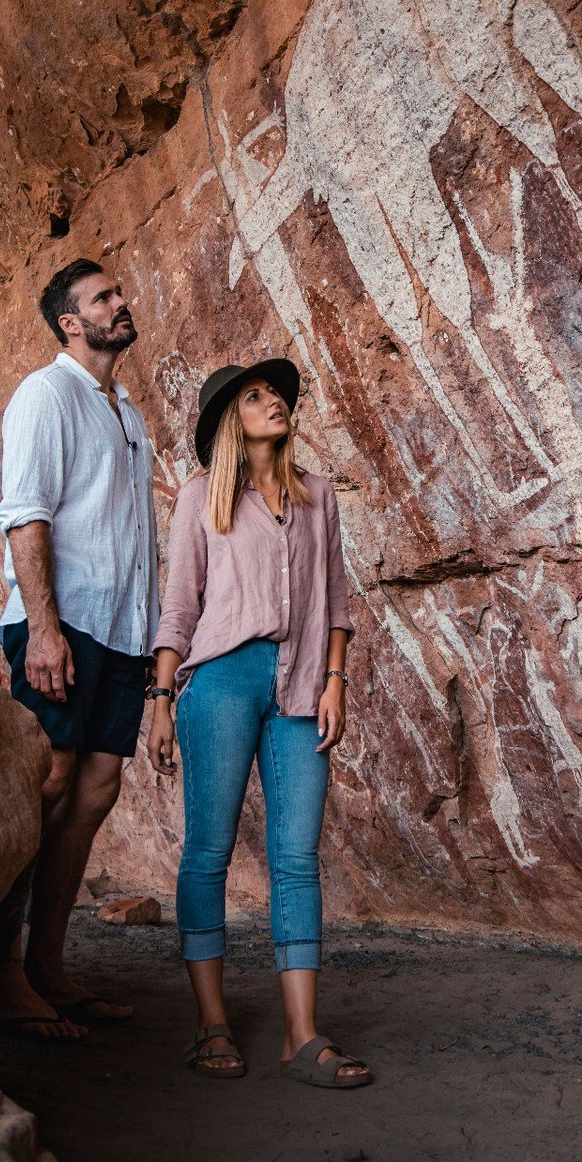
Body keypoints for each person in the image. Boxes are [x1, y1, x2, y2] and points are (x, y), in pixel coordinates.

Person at [147, 360, 372, 1086]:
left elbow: (336, 601)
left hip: (303, 685)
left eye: (275, 392)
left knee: (298, 856)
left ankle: (301, 1036)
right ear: (227, 425)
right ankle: (211, 1022)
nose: (273, 400)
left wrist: (335, 682)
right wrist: (159, 697)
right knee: (208, 850)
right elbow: (179, 606)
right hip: (220, 682)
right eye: (253, 396)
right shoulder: (199, 501)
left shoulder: (317, 496)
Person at [0, 258, 159, 1041]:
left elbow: (137, 533)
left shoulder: (127, 413)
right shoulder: (45, 394)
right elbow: (26, 515)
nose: (122, 302)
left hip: (119, 630)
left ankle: (49, 965)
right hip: (62, 621)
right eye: (103, 298)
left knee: (95, 790)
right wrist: (44, 628)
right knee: (45, 782)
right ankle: (1, 973)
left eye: (120, 291)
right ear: (69, 324)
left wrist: (149, 643)